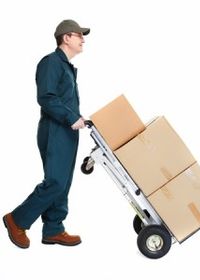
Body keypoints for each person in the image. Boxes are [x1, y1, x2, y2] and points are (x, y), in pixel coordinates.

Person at [3, 19, 90, 248]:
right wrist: (71, 117)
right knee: (55, 182)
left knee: (64, 182)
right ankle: (16, 219)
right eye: (79, 34)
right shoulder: (51, 62)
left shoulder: (67, 67)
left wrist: (78, 118)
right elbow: (46, 97)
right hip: (55, 130)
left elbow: (62, 99)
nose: (83, 39)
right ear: (66, 38)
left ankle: (54, 229)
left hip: (67, 130)